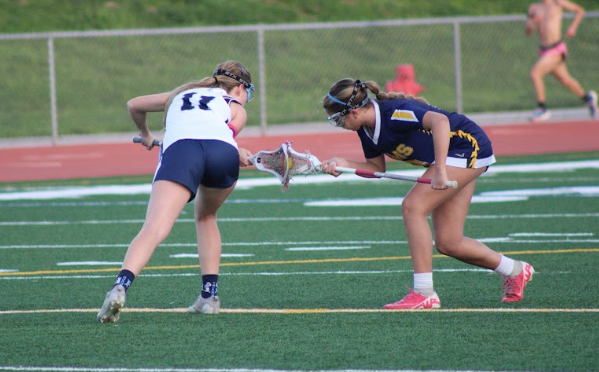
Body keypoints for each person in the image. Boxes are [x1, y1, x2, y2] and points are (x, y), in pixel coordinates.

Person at [320, 78, 534, 309]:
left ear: (353, 111)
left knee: (413, 207)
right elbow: (377, 169)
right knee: (449, 242)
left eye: (337, 119)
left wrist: (440, 169)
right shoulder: (366, 130)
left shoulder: (394, 113)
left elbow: (440, 122)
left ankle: (424, 292)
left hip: (467, 146)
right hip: (451, 157)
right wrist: (344, 164)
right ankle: (515, 270)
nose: (338, 124)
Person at [97, 60, 255, 323]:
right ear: (240, 87)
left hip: (182, 151)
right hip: (222, 154)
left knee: (155, 227)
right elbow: (223, 135)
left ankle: (120, 287)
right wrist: (237, 153)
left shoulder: (181, 93)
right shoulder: (236, 106)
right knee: (206, 217)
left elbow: (134, 105)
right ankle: (209, 297)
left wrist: (145, 134)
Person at [526, 0, 597, 122]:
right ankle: (587, 99)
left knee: (535, 73)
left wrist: (572, 28)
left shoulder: (557, 3)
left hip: (556, 49)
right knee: (565, 80)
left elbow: (580, 11)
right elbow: (528, 31)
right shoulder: (534, 8)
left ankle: (542, 108)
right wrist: (532, 23)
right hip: (544, 50)